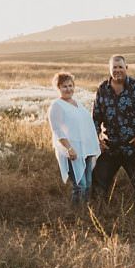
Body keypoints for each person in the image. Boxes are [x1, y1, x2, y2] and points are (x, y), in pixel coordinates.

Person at [91, 53, 135, 205]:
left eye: (120, 67)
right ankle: (98, 214)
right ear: (109, 69)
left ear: (126, 68)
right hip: (111, 147)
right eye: (114, 67)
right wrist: (97, 139)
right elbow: (96, 118)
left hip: (133, 146)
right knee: (98, 181)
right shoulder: (102, 89)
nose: (117, 70)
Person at [47, 71, 101, 206]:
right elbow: (57, 130)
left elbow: (86, 125)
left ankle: (86, 213)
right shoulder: (56, 106)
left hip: (86, 149)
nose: (68, 89)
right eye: (64, 86)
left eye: (71, 85)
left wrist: (95, 144)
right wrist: (69, 148)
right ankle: (75, 215)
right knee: (80, 185)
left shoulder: (78, 103)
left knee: (88, 184)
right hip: (72, 151)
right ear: (58, 88)